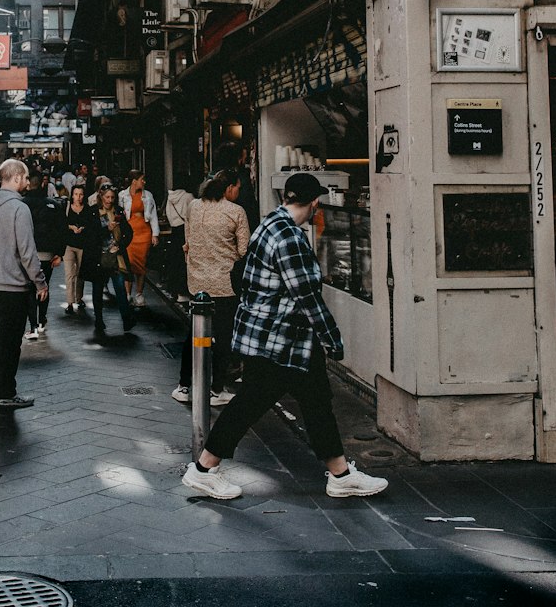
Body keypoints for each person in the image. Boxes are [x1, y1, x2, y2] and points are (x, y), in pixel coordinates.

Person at [181, 173, 389, 502]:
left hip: (285, 341)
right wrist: (332, 338)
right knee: (250, 403)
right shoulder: (290, 237)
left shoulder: (270, 224)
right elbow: (307, 295)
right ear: (315, 203)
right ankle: (203, 470)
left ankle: (341, 475)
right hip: (279, 342)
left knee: (317, 403)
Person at [0, 158, 47, 410]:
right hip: (11, 286)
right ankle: (6, 392)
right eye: (24, 177)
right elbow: (27, 251)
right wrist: (40, 282)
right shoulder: (19, 208)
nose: (27, 182)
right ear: (15, 178)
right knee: (11, 340)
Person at [173, 170, 249, 407]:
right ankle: (216, 389)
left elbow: (187, 243)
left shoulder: (194, 207)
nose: (239, 191)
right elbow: (244, 249)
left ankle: (184, 386)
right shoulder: (236, 212)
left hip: (197, 283)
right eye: (238, 187)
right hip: (225, 284)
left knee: (195, 334)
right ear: (228, 189)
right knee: (223, 336)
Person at [81, 182, 135, 340]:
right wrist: (106, 230)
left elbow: (128, 231)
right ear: (100, 197)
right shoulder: (92, 212)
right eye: (107, 197)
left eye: (112, 197)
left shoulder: (118, 211)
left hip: (116, 257)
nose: (109, 200)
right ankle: (99, 320)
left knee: (120, 287)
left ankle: (126, 319)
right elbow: (89, 235)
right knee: (97, 290)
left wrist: (121, 245)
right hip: (99, 257)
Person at [24, 170, 67, 338]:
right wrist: (60, 253)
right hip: (47, 254)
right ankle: (42, 318)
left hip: (27, 254)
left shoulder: (21, 204)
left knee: (29, 289)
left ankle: (33, 323)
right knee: (44, 285)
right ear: (42, 184)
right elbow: (62, 230)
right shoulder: (53, 205)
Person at [118, 169, 160, 307]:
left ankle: (139, 293)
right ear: (134, 181)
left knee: (141, 264)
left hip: (144, 232)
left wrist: (155, 234)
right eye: (142, 179)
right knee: (128, 264)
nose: (144, 182)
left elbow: (153, 215)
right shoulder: (122, 195)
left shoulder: (148, 195)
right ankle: (127, 293)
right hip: (128, 233)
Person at [163, 175, 195, 304]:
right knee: (184, 261)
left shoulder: (170, 197)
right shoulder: (189, 197)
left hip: (174, 230)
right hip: (185, 230)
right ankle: (184, 291)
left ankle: (173, 290)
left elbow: (167, 213)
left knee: (174, 261)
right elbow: (193, 213)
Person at [62, 182, 89, 314]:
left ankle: (79, 298)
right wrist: (70, 227)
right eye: (76, 194)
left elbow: (90, 225)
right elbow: (61, 224)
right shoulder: (67, 208)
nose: (78, 197)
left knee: (80, 274)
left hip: (83, 244)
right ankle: (70, 302)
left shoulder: (87, 209)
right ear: (72, 195)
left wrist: (83, 228)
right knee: (69, 274)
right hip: (69, 245)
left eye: (81, 194)